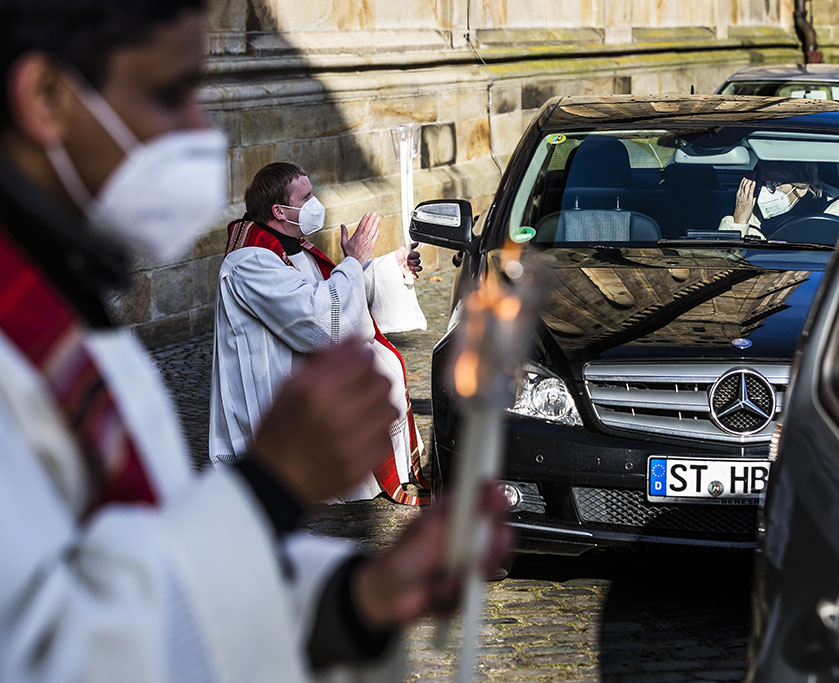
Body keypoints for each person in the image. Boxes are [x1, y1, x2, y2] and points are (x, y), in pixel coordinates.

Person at [0, 1, 507, 680]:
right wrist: (269, 485)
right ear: (46, 96)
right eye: (172, 93)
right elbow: (58, 653)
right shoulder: (26, 341)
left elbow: (143, 570)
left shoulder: (69, 305)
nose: (201, 132)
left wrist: (357, 598)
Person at [210, 161, 428, 505]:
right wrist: (353, 260)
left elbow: (330, 292)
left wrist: (387, 268)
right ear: (280, 211)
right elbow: (319, 320)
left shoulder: (292, 247)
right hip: (277, 394)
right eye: (306, 196)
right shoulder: (250, 262)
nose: (316, 203)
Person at [718, 160, 839, 239]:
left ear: (801, 188)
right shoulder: (748, 213)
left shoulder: (838, 212)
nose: (765, 190)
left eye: (774, 184)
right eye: (762, 182)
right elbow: (722, 265)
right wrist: (739, 223)